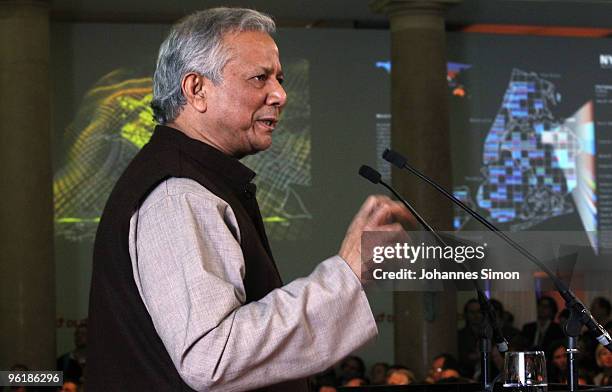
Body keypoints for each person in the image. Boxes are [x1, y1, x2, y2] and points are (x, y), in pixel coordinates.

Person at [87, 7, 412, 392]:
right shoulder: (179, 193)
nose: (280, 94)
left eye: (279, 78)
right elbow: (213, 357)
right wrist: (347, 271)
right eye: (260, 78)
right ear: (197, 90)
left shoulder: (193, 178)